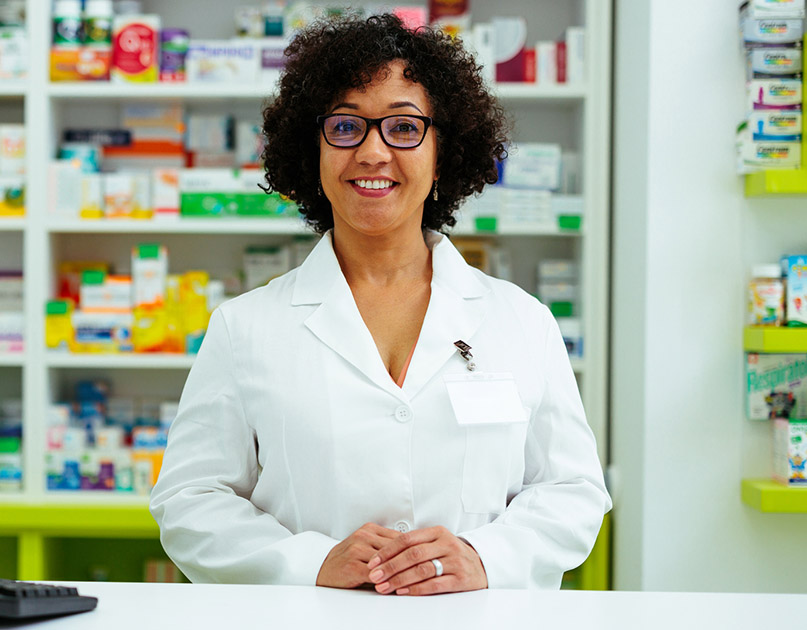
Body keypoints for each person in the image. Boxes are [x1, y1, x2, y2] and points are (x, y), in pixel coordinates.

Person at [149, 14, 611, 595]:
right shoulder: (245, 327)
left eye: (403, 127)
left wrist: (484, 557)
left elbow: (573, 492)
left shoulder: (522, 321)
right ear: (312, 153)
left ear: (443, 153)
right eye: (345, 127)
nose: (372, 152)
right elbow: (189, 502)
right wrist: (306, 563)